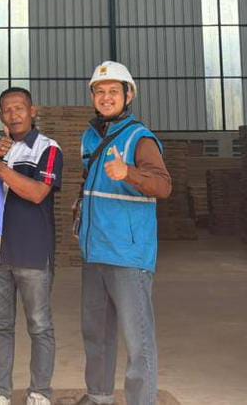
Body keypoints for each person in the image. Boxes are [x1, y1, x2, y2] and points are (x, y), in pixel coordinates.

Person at [76, 61, 172, 405]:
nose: (106, 97)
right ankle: (99, 396)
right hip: (95, 250)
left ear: (128, 95)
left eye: (113, 91)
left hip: (128, 255)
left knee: (138, 339)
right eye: (100, 91)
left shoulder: (140, 138)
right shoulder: (91, 136)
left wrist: (127, 172)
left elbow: (163, 186)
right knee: (96, 333)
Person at [0, 87, 63, 405]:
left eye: (20, 108)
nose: (14, 115)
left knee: (40, 325)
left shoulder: (48, 148)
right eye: (7, 110)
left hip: (32, 252)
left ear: (32, 111)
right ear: (1, 116)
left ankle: (40, 392)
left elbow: (38, 193)